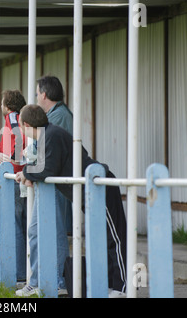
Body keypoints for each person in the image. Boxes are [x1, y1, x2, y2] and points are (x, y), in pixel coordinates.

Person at [15, 105, 127, 298]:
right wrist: (28, 174)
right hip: (90, 191)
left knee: (114, 238)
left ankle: (123, 287)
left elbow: (46, 170)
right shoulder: (50, 135)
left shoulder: (51, 136)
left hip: (101, 189)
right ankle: (112, 283)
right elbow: (47, 168)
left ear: (26, 125)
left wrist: (25, 173)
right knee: (101, 239)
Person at [35, 75, 74, 290]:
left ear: (44, 94)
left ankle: (59, 280)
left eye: (37, 93)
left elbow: (45, 150)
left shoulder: (58, 117)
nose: (36, 97)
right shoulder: (56, 114)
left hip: (58, 180)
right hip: (54, 178)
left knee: (57, 229)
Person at [0, 89, 27, 282]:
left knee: (14, 225)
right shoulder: (17, 118)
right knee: (21, 223)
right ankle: (22, 271)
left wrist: (13, 157)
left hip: (13, 176)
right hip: (18, 175)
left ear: (8, 105)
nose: (0, 106)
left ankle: (19, 272)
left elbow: (18, 140)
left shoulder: (12, 117)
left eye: (2, 102)